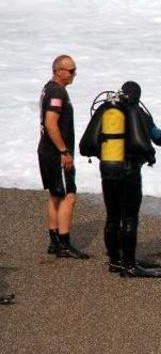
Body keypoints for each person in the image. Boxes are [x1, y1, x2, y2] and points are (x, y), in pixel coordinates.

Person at [81, 81, 161, 277]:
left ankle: (115, 261)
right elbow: (160, 138)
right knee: (130, 217)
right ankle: (130, 264)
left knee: (112, 215)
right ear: (137, 97)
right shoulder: (138, 113)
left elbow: (88, 143)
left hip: (107, 171)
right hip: (130, 172)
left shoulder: (106, 109)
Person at [37, 55, 89, 259]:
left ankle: (55, 241)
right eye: (71, 70)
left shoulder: (49, 88)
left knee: (55, 194)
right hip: (56, 153)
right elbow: (51, 123)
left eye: (75, 70)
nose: (74, 74)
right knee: (69, 196)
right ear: (58, 71)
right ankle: (64, 243)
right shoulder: (57, 92)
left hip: (47, 151)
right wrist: (64, 152)